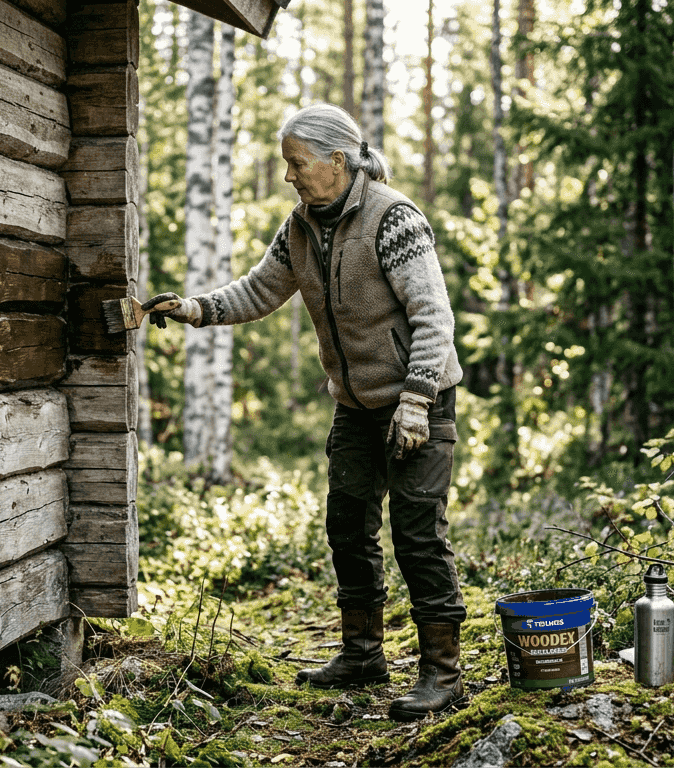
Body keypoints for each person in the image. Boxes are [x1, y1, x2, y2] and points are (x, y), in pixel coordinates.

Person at [144, 103, 467, 721]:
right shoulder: (299, 227)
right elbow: (260, 288)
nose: (289, 175)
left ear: (336, 161)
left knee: (418, 536)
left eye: (297, 162)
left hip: (417, 400)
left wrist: (418, 401)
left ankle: (443, 674)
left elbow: (434, 317)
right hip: (354, 404)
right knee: (348, 527)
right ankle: (363, 654)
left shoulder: (393, 218)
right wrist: (195, 309)